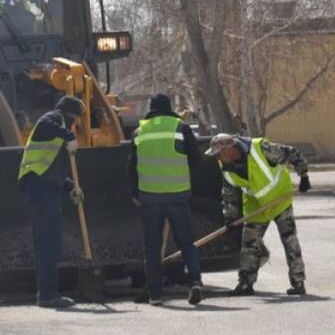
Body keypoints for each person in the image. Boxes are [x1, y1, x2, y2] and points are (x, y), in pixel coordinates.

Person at [207, 132, 311, 296]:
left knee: (290, 240)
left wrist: (303, 174)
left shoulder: (260, 148)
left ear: (229, 149)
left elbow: (291, 153)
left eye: (219, 154)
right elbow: (229, 193)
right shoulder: (225, 166)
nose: (218, 159)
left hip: (279, 200)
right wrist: (230, 217)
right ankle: (246, 283)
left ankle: (298, 281)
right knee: (249, 245)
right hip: (256, 206)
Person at [129, 93, 204, 306]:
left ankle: (155, 294)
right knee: (186, 242)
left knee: (152, 247)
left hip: (149, 197)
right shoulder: (181, 128)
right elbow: (196, 160)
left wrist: (135, 193)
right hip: (178, 195)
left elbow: (131, 167)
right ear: (169, 107)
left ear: (151, 109)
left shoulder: (139, 132)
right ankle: (195, 281)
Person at [17, 95, 85, 308]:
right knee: (48, 243)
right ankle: (48, 295)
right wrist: (68, 136)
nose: (75, 125)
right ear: (70, 115)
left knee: (48, 243)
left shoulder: (56, 129)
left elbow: (52, 169)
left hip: (44, 187)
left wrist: (70, 187)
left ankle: (47, 293)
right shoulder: (52, 118)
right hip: (39, 188)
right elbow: (45, 124)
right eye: (75, 119)